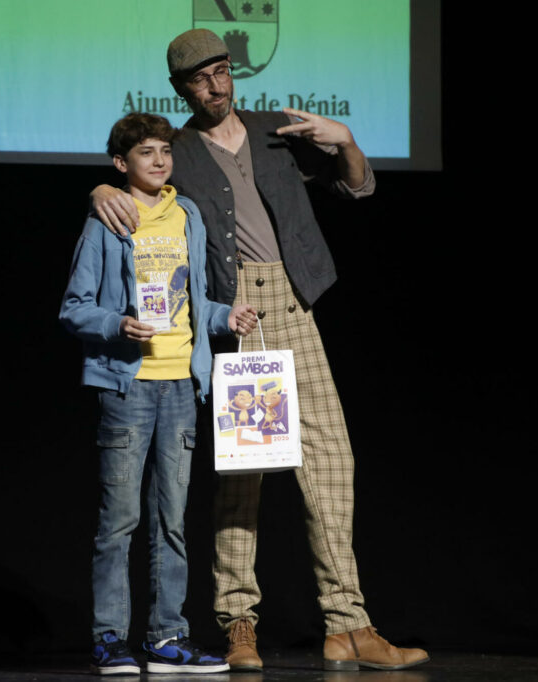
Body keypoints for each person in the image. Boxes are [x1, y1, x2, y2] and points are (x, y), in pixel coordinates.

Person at [90, 29, 429, 672]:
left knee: (331, 460)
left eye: (222, 71)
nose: (215, 85)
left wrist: (347, 143)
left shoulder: (277, 131)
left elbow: (358, 189)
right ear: (181, 89)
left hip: (293, 301)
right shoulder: (179, 149)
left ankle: (348, 625)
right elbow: (134, 182)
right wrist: (99, 190)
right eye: (200, 79)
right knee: (244, 470)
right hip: (234, 313)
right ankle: (238, 623)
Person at [61, 112, 258, 675]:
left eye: (165, 151)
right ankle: (109, 638)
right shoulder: (107, 218)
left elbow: (195, 299)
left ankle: (167, 636)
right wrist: (116, 324)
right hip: (129, 387)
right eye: (145, 152)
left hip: (181, 388)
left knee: (171, 520)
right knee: (120, 521)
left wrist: (226, 317)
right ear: (120, 163)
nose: (159, 160)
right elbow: (74, 308)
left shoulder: (187, 214)